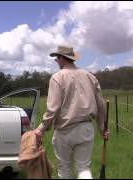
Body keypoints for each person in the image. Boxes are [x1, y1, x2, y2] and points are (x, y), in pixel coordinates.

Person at [34, 45, 110, 179]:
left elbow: (53, 108)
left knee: (64, 169)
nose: (57, 62)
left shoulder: (57, 77)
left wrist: (41, 129)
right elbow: (100, 105)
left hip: (64, 131)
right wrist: (103, 128)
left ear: (62, 58)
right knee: (83, 168)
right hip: (86, 128)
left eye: (57, 59)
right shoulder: (90, 77)